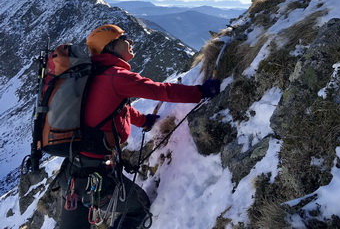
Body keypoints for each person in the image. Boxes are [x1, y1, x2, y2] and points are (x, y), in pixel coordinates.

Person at [58, 24, 221, 229]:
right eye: (124, 37)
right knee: (138, 208)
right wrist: (200, 92)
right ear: (111, 45)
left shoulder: (92, 75)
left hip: (72, 174)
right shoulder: (116, 76)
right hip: (93, 177)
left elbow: (113, 110)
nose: (131, 41)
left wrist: (144, 121)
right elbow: (160, 91)